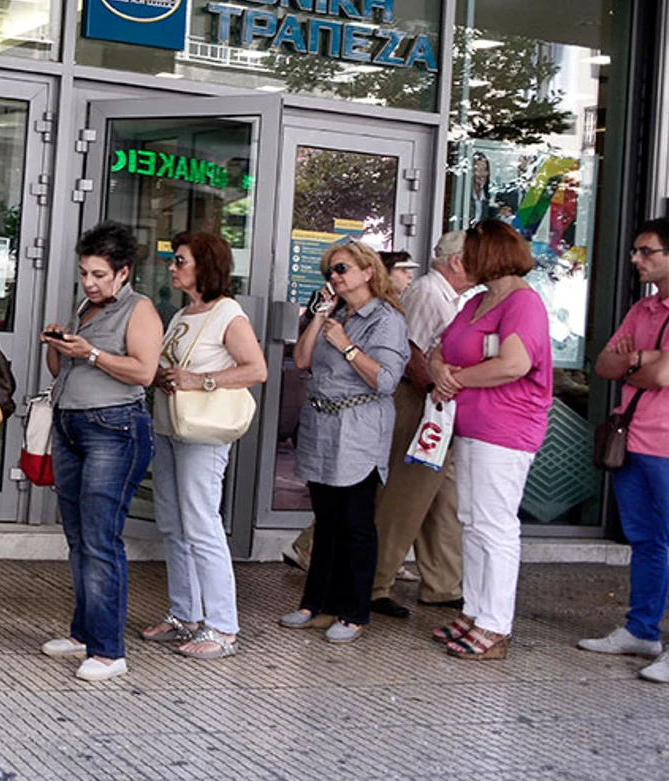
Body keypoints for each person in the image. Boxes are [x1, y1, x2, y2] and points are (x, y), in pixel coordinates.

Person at [579, 216, 669, 684]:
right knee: (645, 541)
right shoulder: (644, 311)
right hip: (633, 440)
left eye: (646, 252)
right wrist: (642, 359)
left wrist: (636, 360)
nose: (636, 260)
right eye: (637, 252)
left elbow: (666, 375)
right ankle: (642, 630)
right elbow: (603, 363)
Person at [39, 222, 163, 681]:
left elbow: (144, 373)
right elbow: (60, 369)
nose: (89, 283)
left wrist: (90, 353)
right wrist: (58, 344)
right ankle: (83, 633)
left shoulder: (141, 309)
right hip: (71, 423)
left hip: (114, 429)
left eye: (98, 274)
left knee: (100, 538)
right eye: (84, 273)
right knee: (77, 536)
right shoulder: (84, 308)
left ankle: (110, 651)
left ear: (123, 272)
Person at [426, 219, 551, 660]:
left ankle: (496, 625)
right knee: (473, 521)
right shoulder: (478, 301)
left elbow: (513, 364)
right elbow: (442, 345)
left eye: (470, 253)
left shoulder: (523, 304)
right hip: (473, 426)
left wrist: (454, 381)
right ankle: (475, 612)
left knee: (494, 525)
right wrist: (440, 368)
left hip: (507, 429)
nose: (462, 261)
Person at [145, 230, 267, 660]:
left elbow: (257, 369)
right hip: (171, 425)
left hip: (203, 431)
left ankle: (223, 626)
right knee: (174, 524)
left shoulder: (227, 314)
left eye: (181, 261)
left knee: (201, 523)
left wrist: (201, 380)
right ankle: (186, 614)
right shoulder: (185, 315)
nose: (173, 268)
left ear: (204, 266)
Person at [279, 241, 408, 644]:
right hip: (321, 423)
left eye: (341, 269)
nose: (334, 277)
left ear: (368, 271)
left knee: (354, 522)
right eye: (329, 272)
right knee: (326, 520)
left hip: (358, 425)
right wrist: (318, 318)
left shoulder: (385, 320)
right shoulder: (334, 313)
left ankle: (354, 611)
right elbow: (301, 360)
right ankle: (316, 602)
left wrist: (347, 347)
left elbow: (386, 381)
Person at [368, 230, 471, 620]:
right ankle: (376, 581)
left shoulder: (449, 295)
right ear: (457, 261)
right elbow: (410, 350)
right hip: (421, 401)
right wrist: (437, 388)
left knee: (443, 498)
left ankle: (443, 584)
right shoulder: (429, 292)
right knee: (406, 495)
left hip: (436, 404)